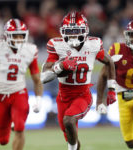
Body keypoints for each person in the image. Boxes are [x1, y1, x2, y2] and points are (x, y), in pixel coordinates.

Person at [41, 11, 115, 150]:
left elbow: (109, 62)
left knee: (69, 121)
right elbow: (44, 77)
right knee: (70, 137)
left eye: (77, 31)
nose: (73, 35)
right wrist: (60, 66)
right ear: (63, 32)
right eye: (69, 31)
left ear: (85, 31)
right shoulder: (57, 45)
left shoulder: (92, 45)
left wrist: (111, 88)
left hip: (83, 95)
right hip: (63, 97)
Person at [96, 19, 133, 150]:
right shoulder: (117, 49)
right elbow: (103, 75)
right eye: (132, 35)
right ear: (127, 35)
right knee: (130, 143)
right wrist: (99, 102)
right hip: (123, 96)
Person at [0, 19, 43, 150]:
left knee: (19, 127)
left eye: (21, 36)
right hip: (0, 96)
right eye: (15, 36)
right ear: (7, 36)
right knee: (3, 141)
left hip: (19, 93)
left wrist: (39, 99)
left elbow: (36, 78)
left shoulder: (30, 50)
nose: (18, 39)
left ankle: (15, 121)